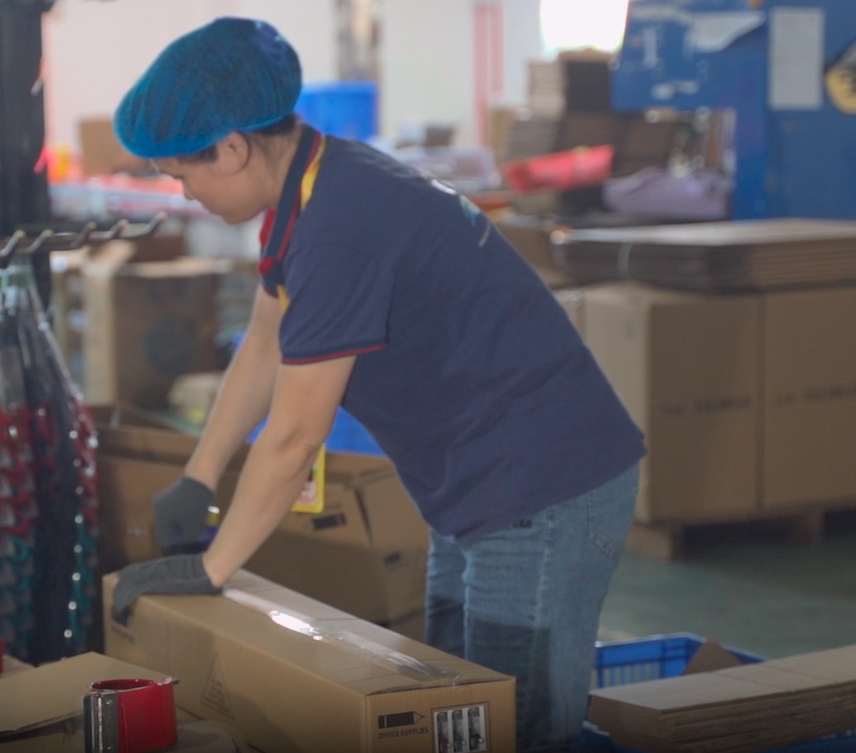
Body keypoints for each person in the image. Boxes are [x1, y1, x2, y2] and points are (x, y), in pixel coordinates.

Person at [110, 17, 646, 752]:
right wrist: (198, 476)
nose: (185, 192)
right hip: (475, 482)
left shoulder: (338, 226)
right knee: (458, 711)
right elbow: (264, 341)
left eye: (182, 174)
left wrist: (212, 566)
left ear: (232, 149)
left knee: (512, 728)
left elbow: (294, 437)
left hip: (542, 488)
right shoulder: (309, 188)